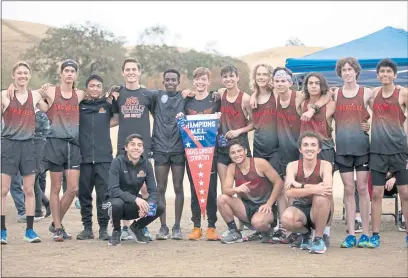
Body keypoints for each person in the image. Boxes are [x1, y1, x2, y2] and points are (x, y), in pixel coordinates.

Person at [32, 59, 87, 241]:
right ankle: (58, 228)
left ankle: (56, 223)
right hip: (55, 143)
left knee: (72, 189)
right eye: (66, 71)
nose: (69, 74)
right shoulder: (50, 91)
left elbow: (97, 95)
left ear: (76, 75)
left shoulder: (79, 94)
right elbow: (32, 95)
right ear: (61, 74)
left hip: (73, 145)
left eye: (73, 71)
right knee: (55, 188)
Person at [1, 61, 48, 244]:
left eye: (25, 73)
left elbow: (47, 106)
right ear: (13, 76)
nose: (22, 76)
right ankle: (2, 231)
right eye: (19, 73)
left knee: (29, 189)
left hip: (29, 145)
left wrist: (46, 91)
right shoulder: (4, 95)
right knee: (3, 190)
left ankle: (29, 231)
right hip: (9, 144)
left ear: (29, 76)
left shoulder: (34, 95)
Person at [328, 57, 373, 248]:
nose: (347, 72)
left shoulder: (367, 92)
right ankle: (351, 234)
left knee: (362, 189)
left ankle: (365, 233)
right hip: (343, 150)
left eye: (350, 69)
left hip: (362, 148)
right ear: (340, 73)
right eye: (344, 70)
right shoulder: (335, 93)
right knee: (348, 190)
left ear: (356, 71)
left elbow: (381, 113)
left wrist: (370, 123)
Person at [176, 67, 221, 241]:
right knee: (195, 188)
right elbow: (180, 119)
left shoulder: (215, 99)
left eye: (204, 80)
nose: (200, 83)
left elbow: (221, 120)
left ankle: (211, 226)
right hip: (192, 153)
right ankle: (196, 226)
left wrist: (218, 117)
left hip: (211, 151)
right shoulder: (187, 101)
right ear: (193, 81)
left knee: (211, 190)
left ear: (209, 82)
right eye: (197, 79)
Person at [246, 64, 288, 243]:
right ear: (254, 77)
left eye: (265, 74)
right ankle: (266, 226)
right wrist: (254, 94)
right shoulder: (251, 99)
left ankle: (284, 228)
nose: (261, 77)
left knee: (279, 187)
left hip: (277, 147)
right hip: (259, 146)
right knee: (264, 188)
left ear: (270, 76)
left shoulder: (276, 94)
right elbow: (252, 122)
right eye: (258, 74)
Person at [368, 58, 408, 248]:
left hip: (399, 150)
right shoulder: (374, 93)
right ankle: (375, 235)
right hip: (377, 151)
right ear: (377, 75)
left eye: (388, 71)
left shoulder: (403, 93)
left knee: (405, 193)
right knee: (376, 193)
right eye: (382, 72)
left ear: (394, 74)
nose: (385, 74)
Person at [217, 139, 284, 244]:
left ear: (245, 151)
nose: (237, 155)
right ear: (229, 155)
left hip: (264, 207)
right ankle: (234, 232)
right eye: (233, 153)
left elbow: (279, 182)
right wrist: (236, 189)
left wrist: (269, 204)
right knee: (222, 199)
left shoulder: (260, 163)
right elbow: (226, 190)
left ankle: (267, 230)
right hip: (246, 207)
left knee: (258, 222)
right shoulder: (231, 168)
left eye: (239, 151)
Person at [103, 134, 164, 246]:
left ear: (142, 149)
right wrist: (136, 199)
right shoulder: (117, 162)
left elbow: (153, 191)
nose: (136, 147)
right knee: (117, 203)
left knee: (159, 206)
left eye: (139, 145)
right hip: (111, 205)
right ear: (126, 148)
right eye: (133, 144)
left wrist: (147, 205)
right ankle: (116, 231)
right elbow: (113, 190)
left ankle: (137, 227)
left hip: (131, 205)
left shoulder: (146, 164)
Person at [299, 72, 336, 247]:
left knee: (326, 190)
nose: (313, 86)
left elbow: (329, 96)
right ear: (306, 86)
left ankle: (326, 231)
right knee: (309, 190)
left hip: (325, 148)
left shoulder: (330, 102)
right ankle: (311, 230)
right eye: (310, 83)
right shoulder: (301, 102)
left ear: (322, 86)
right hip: (306, 150)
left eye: (317, 83)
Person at [76, 74, 113, 241]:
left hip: (104, 158)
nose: (95, 89)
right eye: (92, 86)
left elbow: (120, 115)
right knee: (84, 194)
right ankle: (87, 228)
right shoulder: (80, 105)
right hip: (83, 158)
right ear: (86, 89)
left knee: (104, 195)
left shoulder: (107, 105)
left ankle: (104, 228)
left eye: (98, 86)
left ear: (102, 88)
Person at [282, 131, 333, 254]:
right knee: (286, 218)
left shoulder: (325, 165)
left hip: (320, 210)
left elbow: (327, 189)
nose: (309, 148)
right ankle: (306, 234)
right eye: (305, 145)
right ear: (300, 149)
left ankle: (319, 239)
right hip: (300, 208)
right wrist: (314, 188)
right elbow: (288, 193)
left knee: (321, 197)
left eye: (313, 145)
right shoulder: (292, 166)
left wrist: (299, 186)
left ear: (319, 149)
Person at [151, 69, 187, 240]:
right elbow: (138, 91)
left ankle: (177, 227)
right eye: (167, 79)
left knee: (179, 187)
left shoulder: (185, 97)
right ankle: (163, 226)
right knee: (160, 188)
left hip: (179, 148)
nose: (170, 82)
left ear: (178, 82)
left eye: (174, 80)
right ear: (163, 81)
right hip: (159, 148)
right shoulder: (156, 96)